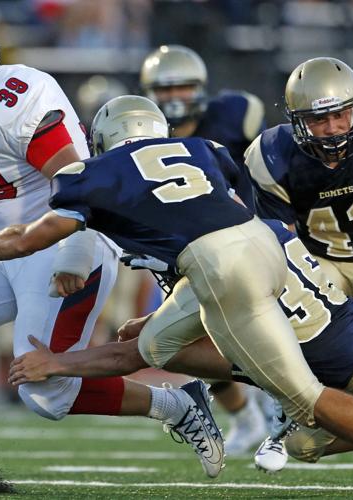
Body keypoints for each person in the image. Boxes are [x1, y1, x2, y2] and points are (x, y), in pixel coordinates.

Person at [0, 7, 219, 495]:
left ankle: (176, 404)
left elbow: (78, 185)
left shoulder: (15, 98)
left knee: (45, 393)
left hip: (63, 244)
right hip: (7, 247)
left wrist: (75, 253)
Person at [0, 94, 353, 455]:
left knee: (303, 400)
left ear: (104, 139)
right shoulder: (204, 148)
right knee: (155, 343)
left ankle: (278, 391)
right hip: (265, 244)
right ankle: (248, 384)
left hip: (219, 269)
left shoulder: (95, 173)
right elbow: (237, 204)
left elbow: (26, 239)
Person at [5, 219, 353, 472]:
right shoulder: (260, 228)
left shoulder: (210, 272)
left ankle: (276, 391)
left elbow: (129, 355)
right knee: (300, 444)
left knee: (164, 347)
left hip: (340, 365)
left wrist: (56, 363)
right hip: (341, 337)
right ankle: (276, 390)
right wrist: (156, 319)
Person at [140, 44, 268, 455]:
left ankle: (276, 400)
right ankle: (246, 417)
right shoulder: (143, 131)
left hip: (250, 238)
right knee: (192, 340)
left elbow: (269, 163)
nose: (175, 97)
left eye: (183, 86)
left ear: (201, 88)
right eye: (165, 89)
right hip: (185, 249)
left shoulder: (235, 114)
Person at [245, 57, 353, 304]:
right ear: (298, 121)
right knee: (290, 298)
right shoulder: (274, 154)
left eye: (339, 114)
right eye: (318, 119)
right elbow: (284, 241)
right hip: (319, 259)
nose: (332, 128)